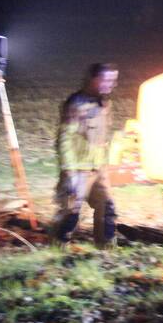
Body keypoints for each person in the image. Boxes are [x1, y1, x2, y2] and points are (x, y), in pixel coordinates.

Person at [51, 63, 120, 248]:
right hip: (78, 169)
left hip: (99, 169)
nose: (111, 84)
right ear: (94, 79)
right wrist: (70, 171)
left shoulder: (104, 103)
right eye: (106, 80)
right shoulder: (76, 104)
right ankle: (56, 252)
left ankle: (106, 253)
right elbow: (64, 139)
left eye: (113, 80)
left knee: (107, 211)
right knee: (70, 214)